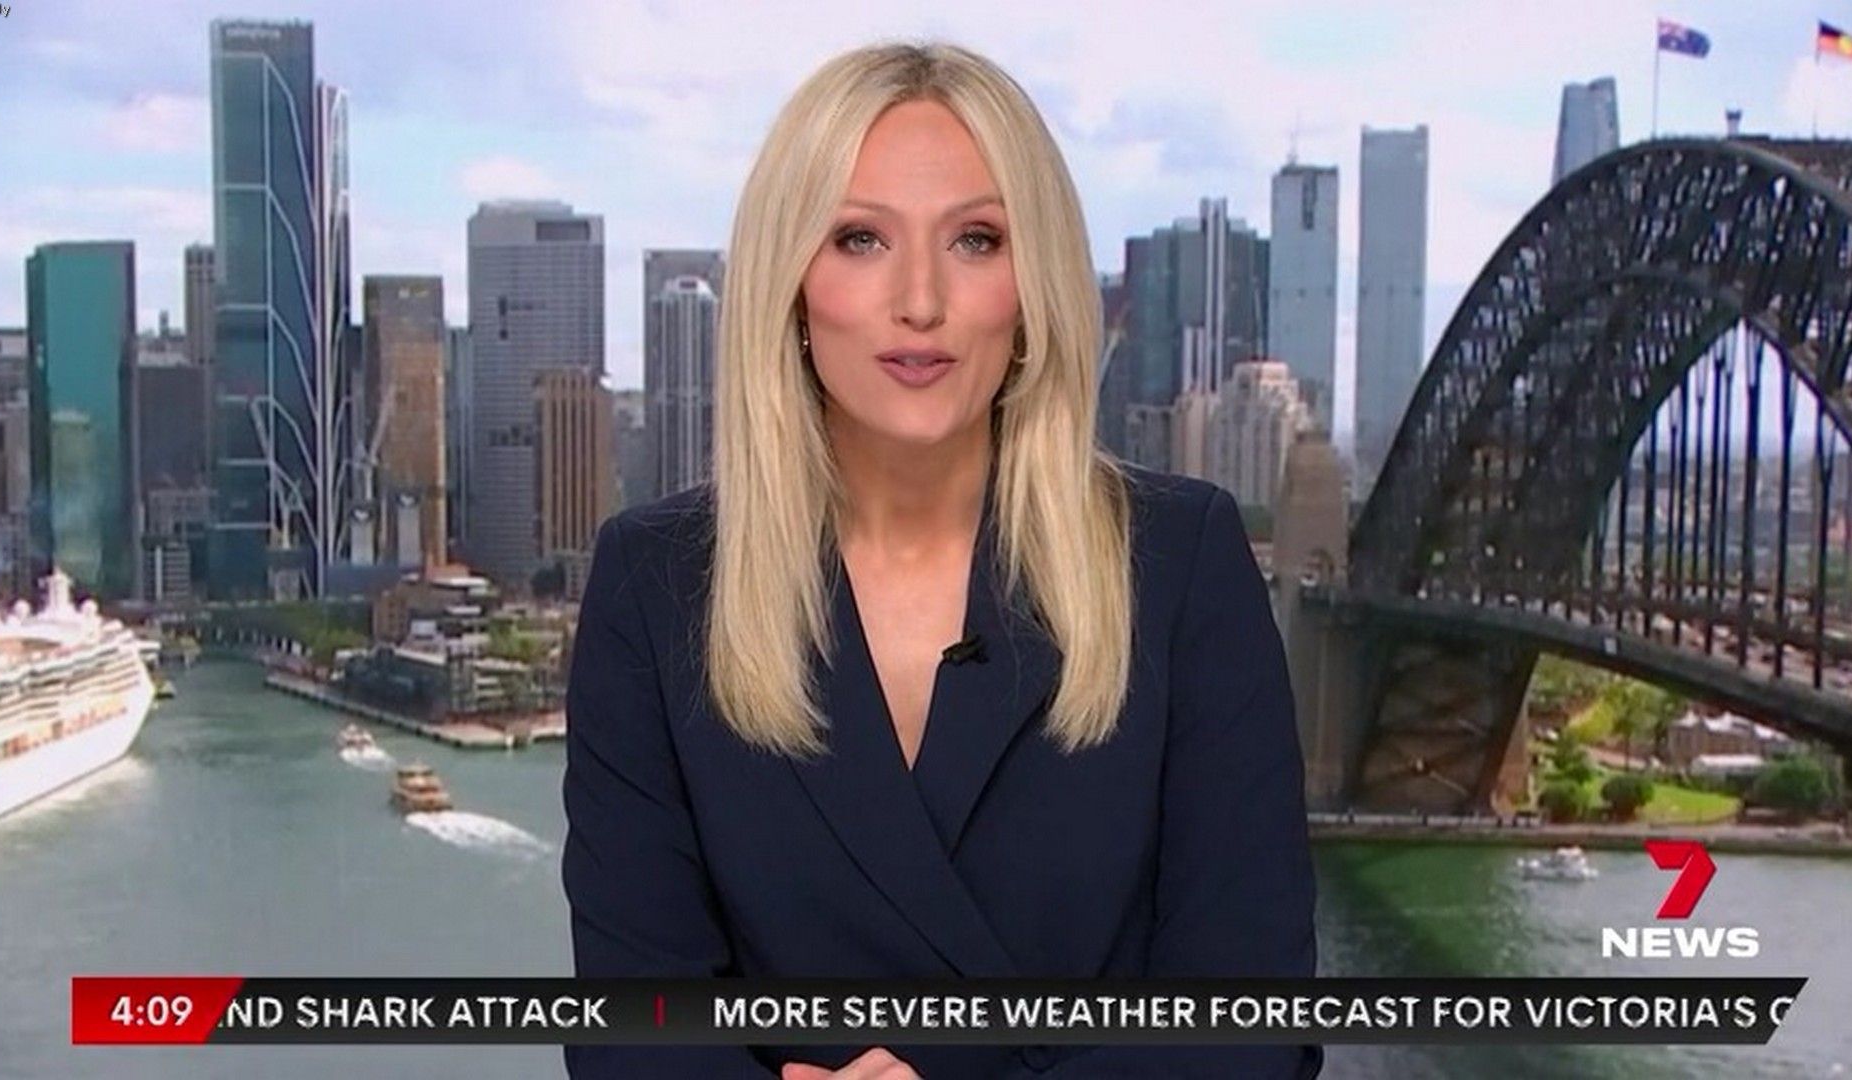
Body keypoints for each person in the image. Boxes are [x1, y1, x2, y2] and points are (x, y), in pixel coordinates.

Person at [562, 40, 1319, 1079]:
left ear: (1032, 286)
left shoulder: (1181, 563)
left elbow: (1252, 1024)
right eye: (860, 238)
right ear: (791, 286)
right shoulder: (656, 583)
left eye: (975, 239)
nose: (920, 299)